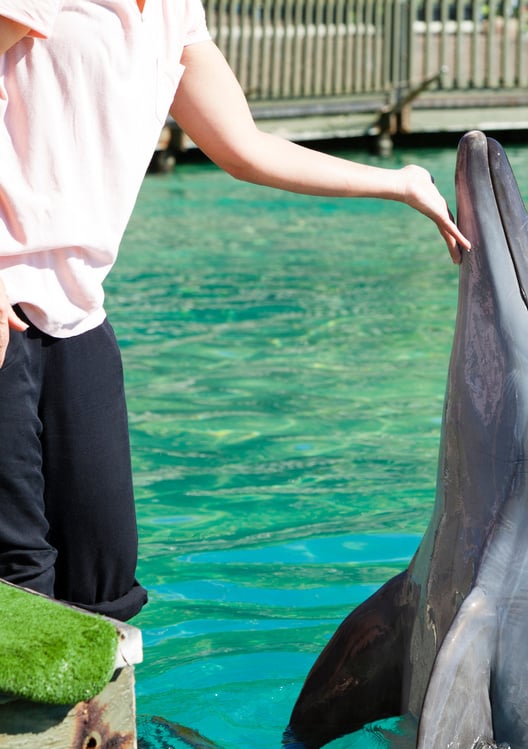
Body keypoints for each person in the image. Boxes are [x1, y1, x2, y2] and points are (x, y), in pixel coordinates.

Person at [0, 0, 471, 622]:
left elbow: (242, 146)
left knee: (103, 578)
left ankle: (95, 721)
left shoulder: (172, 13)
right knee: (19, 582)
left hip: (77, 315)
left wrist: (397, 182)